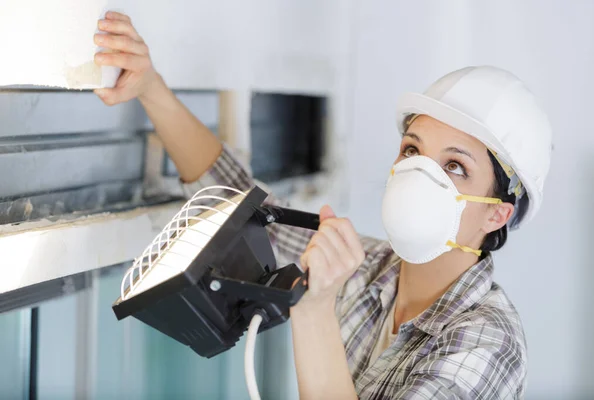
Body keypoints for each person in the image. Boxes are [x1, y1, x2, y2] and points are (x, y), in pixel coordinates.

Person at [94, 12, 552, 399]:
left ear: (497, 213)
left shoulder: (489, 343)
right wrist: (151, 88)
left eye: (455, 167)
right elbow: (239, 202)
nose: (420, 175)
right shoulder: (369, 267)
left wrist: (314, 308)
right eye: (413, 151)